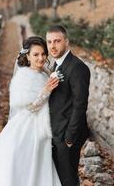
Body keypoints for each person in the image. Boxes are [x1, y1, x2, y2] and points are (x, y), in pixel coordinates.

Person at [0, 36, 62, 186]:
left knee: (40, 162)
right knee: (21, 161)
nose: (41, 58)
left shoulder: (44, 73)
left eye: (43, 54)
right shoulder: (23, 76)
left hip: (44, 123)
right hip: (28, 126)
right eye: (36, 55)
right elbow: (29, 107)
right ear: (27, 56)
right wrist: (46, 91)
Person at [46, 25, 90, 186]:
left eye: (57, 41)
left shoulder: (77, 67)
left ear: (66, 42)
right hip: (56, 131)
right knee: (60, 178)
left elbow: (80, 104)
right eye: (49, 41)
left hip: (67, 135)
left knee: (68, 180)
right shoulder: (56, 65)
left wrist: (69, 138)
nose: (52, 45)